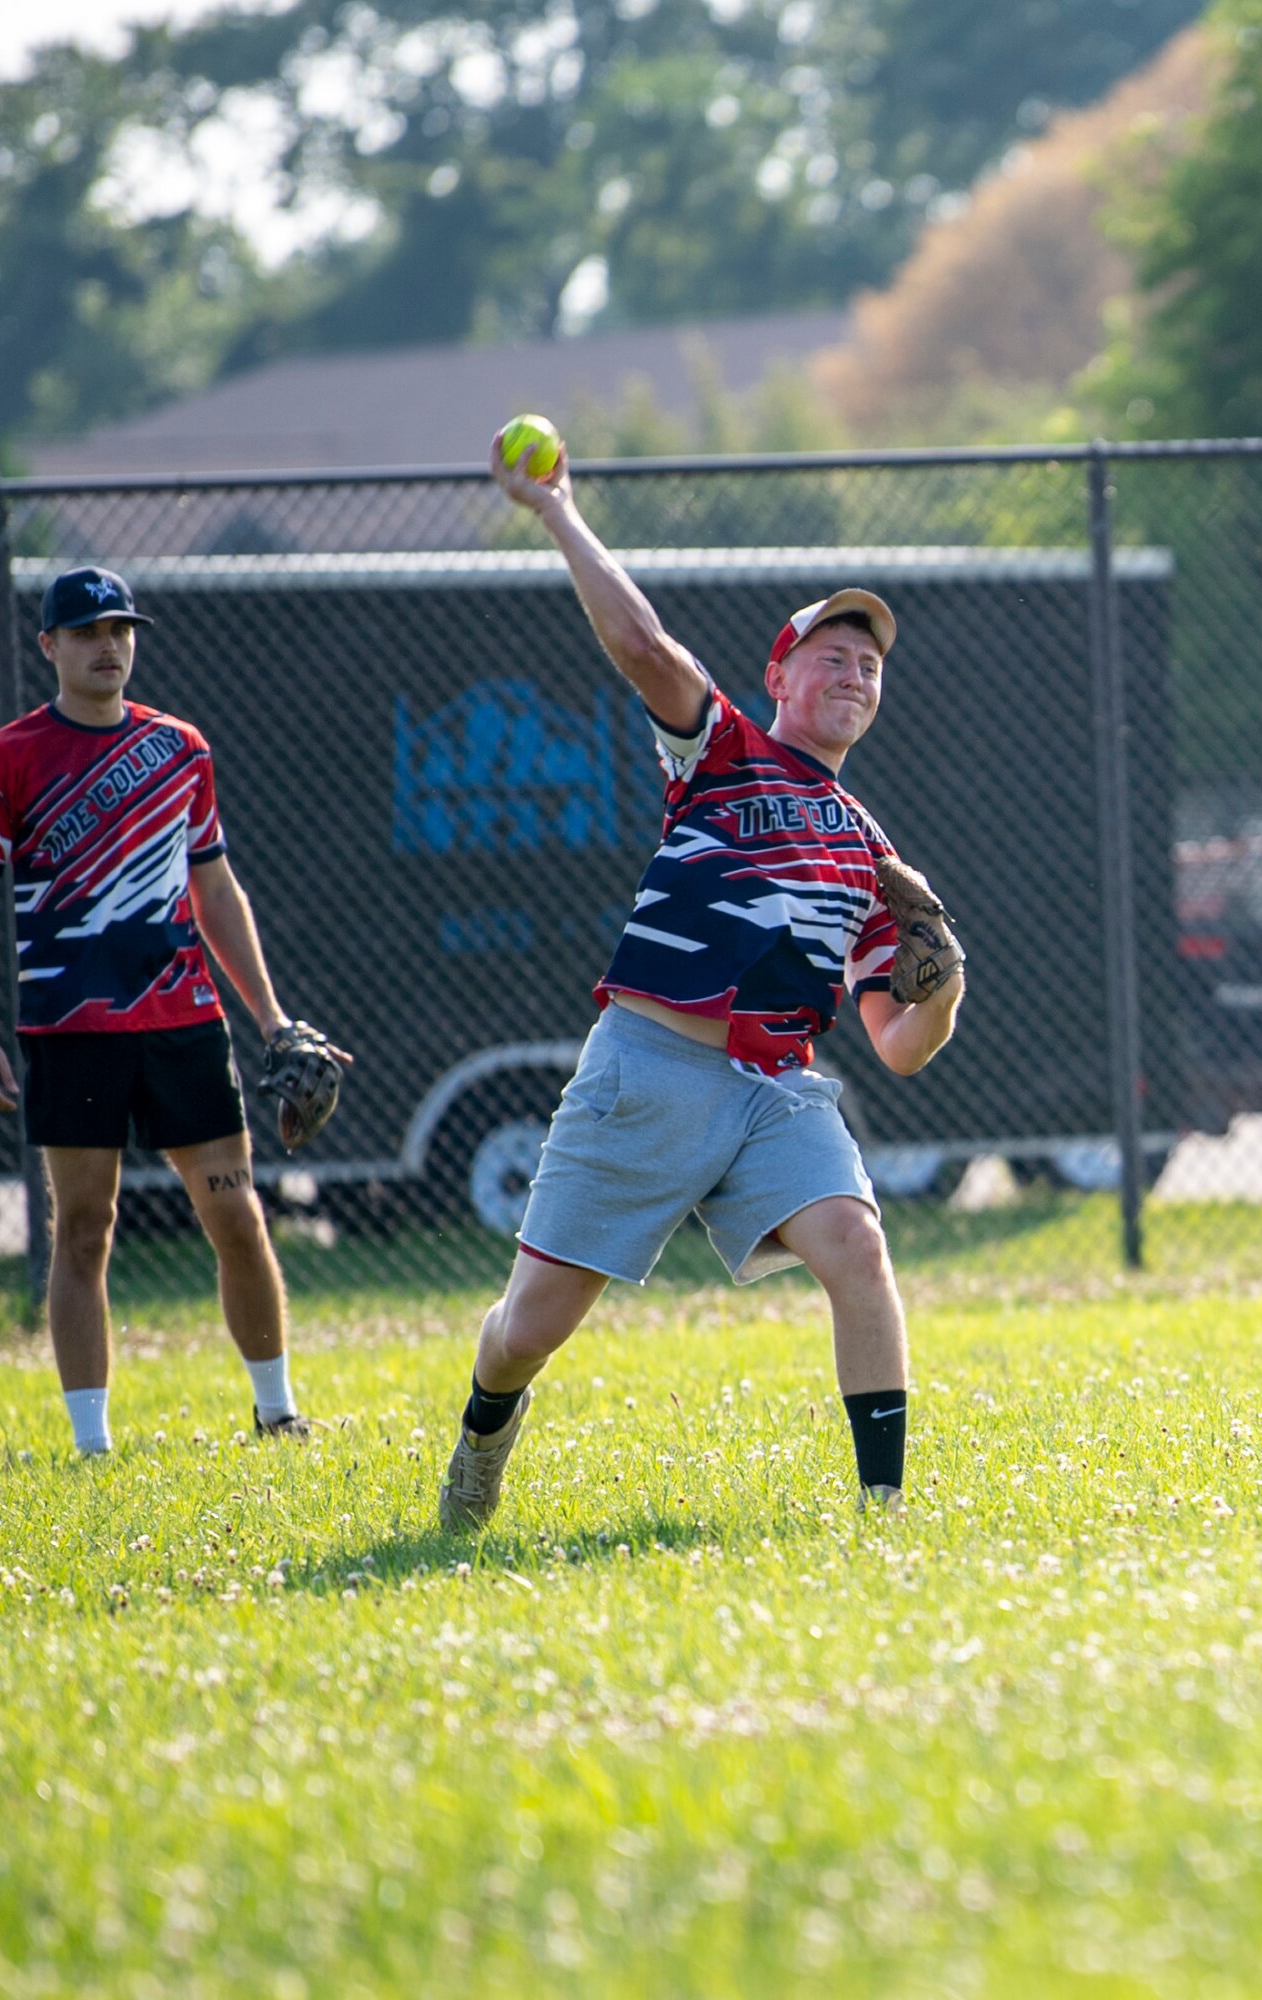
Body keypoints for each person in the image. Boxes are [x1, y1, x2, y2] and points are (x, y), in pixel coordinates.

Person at [438, 435, 965, 1530]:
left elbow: (900, 1044)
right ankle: (485, 1429)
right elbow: (638, 642)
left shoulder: (872, 850)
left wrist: (946, 983)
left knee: (860, 1248)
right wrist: (559, 512)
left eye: (870, 666)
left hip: (777, 1086)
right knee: (529, 1327)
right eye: (833, 656)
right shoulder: (724, 751)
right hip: (651, 1065)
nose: (855, 675)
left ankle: (884, 1509)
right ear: (779, 676)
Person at [0, 565, 343, 1456]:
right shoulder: (7, 757)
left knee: (236, 1216)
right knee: (85, 1229)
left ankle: (277, 1411)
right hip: (70, 1029)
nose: (107, 646)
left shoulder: (180, 747)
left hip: (183, 1026)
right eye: (86, 632)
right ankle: (92, 1444)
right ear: (49, 646)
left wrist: (271, 1020)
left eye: (120, 629)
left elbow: (214, 887)